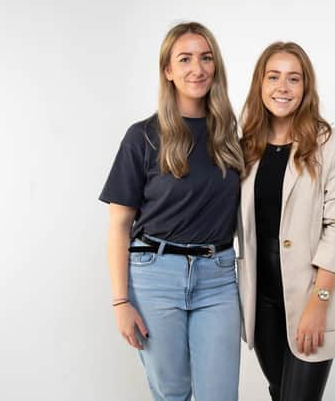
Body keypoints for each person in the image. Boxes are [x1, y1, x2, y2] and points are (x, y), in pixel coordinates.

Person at [99, 22, 244, 401]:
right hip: (154, 278)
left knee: (220, 395)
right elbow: (118, 225)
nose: (197, 68)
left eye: (206, 58)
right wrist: (120, 301)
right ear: (168, 71)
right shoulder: (142, 136)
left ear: (216, 66)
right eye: (185, 59)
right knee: (172, 394)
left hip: (218, 280)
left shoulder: (231, 137)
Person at [237, 42, 335, 401]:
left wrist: (318, 301)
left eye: (294, 79)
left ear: (306, 88)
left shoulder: (334, 146)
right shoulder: (246, 148)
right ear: (259, 85)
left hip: (311, 295)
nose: (283, 87)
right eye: (273, 77)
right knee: (280, 392)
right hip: (261, 303)